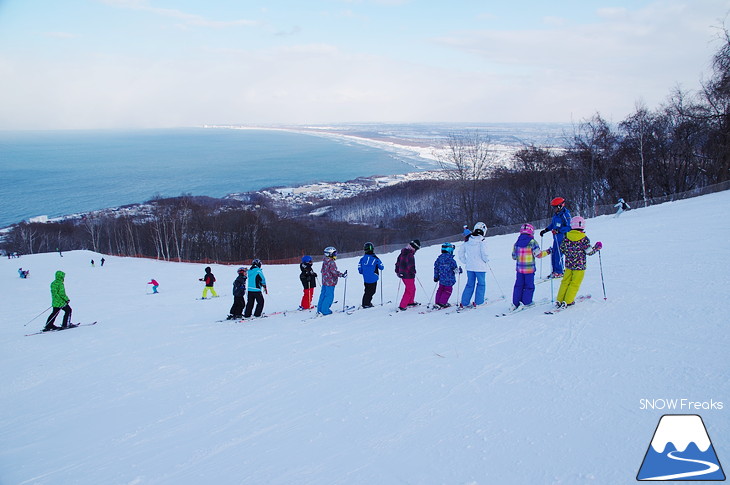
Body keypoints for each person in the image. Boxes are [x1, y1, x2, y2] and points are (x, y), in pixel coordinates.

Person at [555, 216, 602, 308]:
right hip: (580, 266)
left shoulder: (566, 236)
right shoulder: (584, 238)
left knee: (565, 282)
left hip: (569, 265)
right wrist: (597, 247)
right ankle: (568, 301)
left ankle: (560, 299)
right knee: (574, 283)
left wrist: (570, 253)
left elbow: (562, 248)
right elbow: (589, 252)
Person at [510, 223, 551, 311]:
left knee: (518, 286)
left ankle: (515, 302)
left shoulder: (517, 243)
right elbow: (538, 254)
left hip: (519, 269)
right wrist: (548, 251)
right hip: (529, 270)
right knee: (529, 286)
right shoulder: (532, 242)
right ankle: (527, 302)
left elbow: (514, 256)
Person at [458, 222, 489, 307]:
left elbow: (460, 252)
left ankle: (464, 302)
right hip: (480, 267)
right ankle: (479, 302)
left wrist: (465, 261)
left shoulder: (468, 240)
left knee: (469, 284)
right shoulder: (482, 241)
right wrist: (486, 260)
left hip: (470, 267)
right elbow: (484, 254)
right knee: (481, 284)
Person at [539, 197, 572, 278]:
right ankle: (555, 271)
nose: (554, 209)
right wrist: (546, 230)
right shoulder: (556, 215)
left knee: (558, 254)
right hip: (556, 238)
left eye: (555, 207)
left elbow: (569, 227)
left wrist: (559, 231)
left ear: (560, 206)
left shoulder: (565, 215)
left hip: (563, 238)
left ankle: (559, 271)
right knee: (554, 254)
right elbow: (553, 225)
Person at [317, 247, 346, 316]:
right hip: (330, 282)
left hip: (325, 282)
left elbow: (323, 271)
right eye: (334, 253)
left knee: (323, 295)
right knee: (329, 296)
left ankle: (320, 309)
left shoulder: (325, 261)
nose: (335, 255)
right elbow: (334, 272)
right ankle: (325, 310)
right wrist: (342, 275)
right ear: (330, 254)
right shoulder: (331, 262)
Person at [395, 239, 420, 311]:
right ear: (414, 248)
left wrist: (397, 271)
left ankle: (410, 302)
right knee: (409, 290)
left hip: (403, 274)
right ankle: (402, 305)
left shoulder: (403, 253)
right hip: (408, 275)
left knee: (412, 288)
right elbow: (410, 266)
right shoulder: (410, 255)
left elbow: (397, 263)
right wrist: (414, 271)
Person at [357, 242, 384, 308]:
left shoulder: (362, 259)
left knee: (367, 291)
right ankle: (366, 304)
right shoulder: (375, 258)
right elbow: (382, 267)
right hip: (373, 278)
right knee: (371, 291)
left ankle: (366, 302)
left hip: (366, 279)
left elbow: (360, 269)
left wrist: (364, 272)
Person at [433, 242, 459, 308]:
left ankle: (437, 302)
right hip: (449, 280)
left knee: (440, 290)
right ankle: (442, 303)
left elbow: (436, 268)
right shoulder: (451, 260)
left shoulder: (439, 259)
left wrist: (436, 277)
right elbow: (455, 270)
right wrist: (459, 270)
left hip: (441, 279)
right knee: (447, 291)